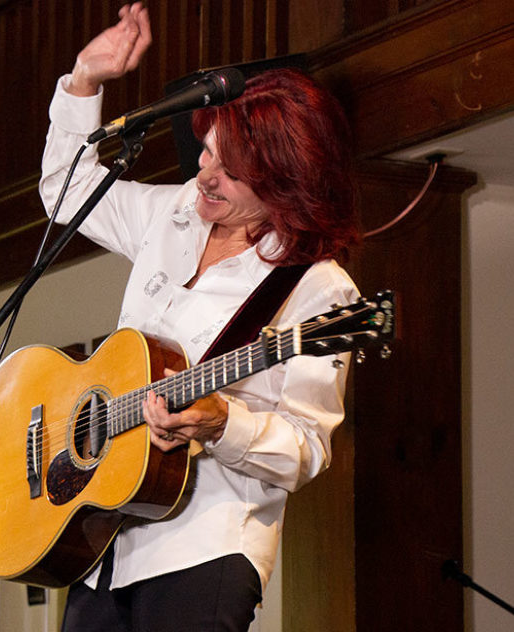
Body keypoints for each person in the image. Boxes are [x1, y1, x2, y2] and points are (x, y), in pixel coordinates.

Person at [39, 4, 362, 631]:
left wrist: (222, 425)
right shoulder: (176, 213)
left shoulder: (318, 288)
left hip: (205, 548)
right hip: (104, 540)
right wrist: (83, 81)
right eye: (207, 153)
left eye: (231, 172)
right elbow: (65, 193)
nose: (204, 177)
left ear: (285, 181)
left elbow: (305, 449)